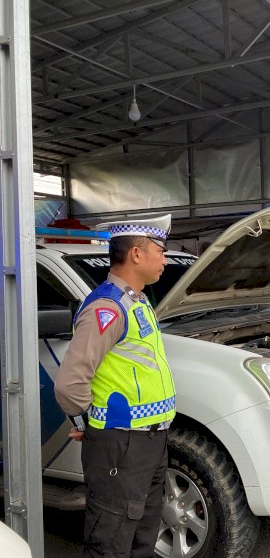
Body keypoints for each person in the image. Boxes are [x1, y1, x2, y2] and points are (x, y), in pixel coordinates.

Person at [54, 214, 177, 556]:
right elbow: (70, 383)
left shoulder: (138, 302)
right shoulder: (107, 307)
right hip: (121, 445)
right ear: (136, 254)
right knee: (110, 541)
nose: (164, 258)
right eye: (160, 250)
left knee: (142, 537)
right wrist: (87, 424)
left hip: (150, 442)